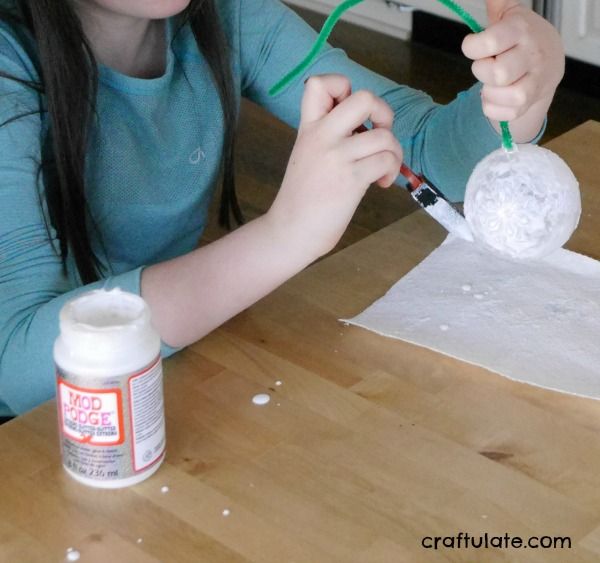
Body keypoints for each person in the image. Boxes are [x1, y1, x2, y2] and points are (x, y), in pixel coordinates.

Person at [0, 0, 564, 417]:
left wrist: (517, 97)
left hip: (168, 391)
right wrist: (285, 236)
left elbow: (425, 147)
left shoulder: (229, 16)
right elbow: (19, 364)